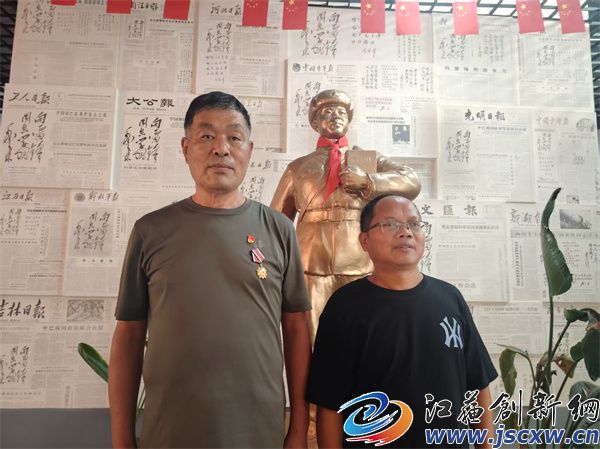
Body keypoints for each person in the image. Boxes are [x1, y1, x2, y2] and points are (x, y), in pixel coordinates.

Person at [108, 91, 311, 449]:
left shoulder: (278, 229)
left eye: (234, 137)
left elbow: (296, 329)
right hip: (169, 432)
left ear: (249, 150)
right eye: (206, 136)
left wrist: (298, 428)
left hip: (258, 431)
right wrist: (122, 439)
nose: (221, 149)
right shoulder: (150, 231)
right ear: (186, 148)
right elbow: (129, 335)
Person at [307, 194, 498, 449]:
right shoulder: (345, 307)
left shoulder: (450, 298)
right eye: (390, 224)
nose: (405, 232)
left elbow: (478, 386)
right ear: (364, 241)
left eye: (413, 224)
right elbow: (330, 406)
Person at [270, 90, 421, 342]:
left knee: (364, 337)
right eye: (327, 112)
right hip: (311, 265)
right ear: (315, 122)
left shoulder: (367, 159)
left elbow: (411, 181)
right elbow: (276, 222)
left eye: (341, 112)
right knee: (314, 338)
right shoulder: (297, 167)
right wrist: (279, 271)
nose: (335, 116)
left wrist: (369, 181)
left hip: (359, 262)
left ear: (349, 120)